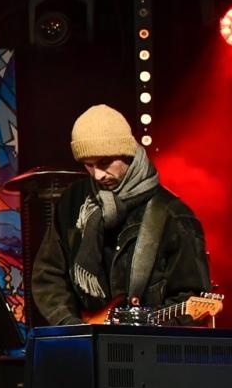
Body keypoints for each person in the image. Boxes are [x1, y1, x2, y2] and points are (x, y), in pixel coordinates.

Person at [30, 104, 212, 326]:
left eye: (105, 163)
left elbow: (190, 298)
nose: (97, 175)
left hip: (148, 352)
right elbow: (48, 276)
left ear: (128, 153)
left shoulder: (173, 215)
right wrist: (71, 326)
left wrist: (147, 327)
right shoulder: (73, 200)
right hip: (85, 345)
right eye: (89, 165)